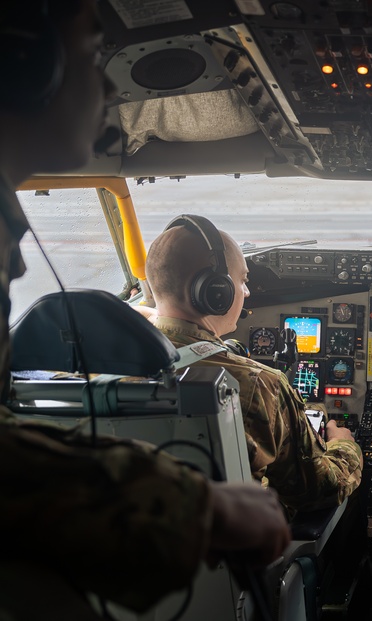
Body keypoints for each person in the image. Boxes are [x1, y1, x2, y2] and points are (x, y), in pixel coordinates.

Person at [0, 2, 291, 618]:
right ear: (31, 65)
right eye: (90, 55)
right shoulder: (252, 383)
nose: (110, 86)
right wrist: (196, 507)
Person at [144, 216, 363, 512]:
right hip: (222, 547)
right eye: (243, 280)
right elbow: (318, 491)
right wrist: (344, 445)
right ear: (214, 290)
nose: (246, 293)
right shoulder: (258, 384)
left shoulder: (93, 365)